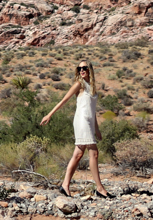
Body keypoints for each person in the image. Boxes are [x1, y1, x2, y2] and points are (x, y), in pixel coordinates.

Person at [40, 60, 111, 198]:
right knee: (94, 153)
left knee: (78, 155)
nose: (81, 70)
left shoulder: (92, 87)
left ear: (90, 69)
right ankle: (100, 188)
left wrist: (97, 129)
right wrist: (49, 114)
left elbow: (93, 110)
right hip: (81, 121)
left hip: (89, 122)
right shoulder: (79, 84)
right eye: (79, 68)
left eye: (84, 68)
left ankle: (65, 185)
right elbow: (64, 100)